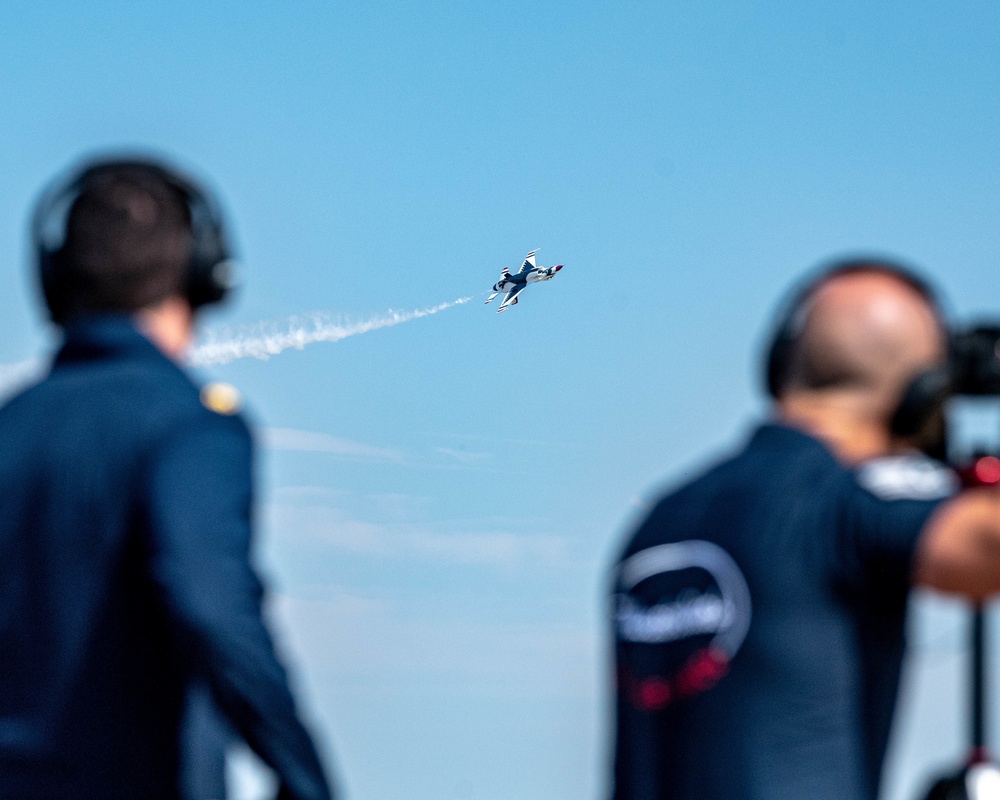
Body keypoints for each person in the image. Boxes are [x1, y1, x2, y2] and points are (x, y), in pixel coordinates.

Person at [0, 157, 334, 800]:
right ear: (205, 274)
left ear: (51, 280)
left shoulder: (10, 429)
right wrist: (303, 776)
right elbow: (212, 605)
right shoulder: (189, 428)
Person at [609, 259, 1000, 800]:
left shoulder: (658, 523)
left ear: (778, 365)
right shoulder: (848, 501)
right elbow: (981, 552)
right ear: (923, 393)